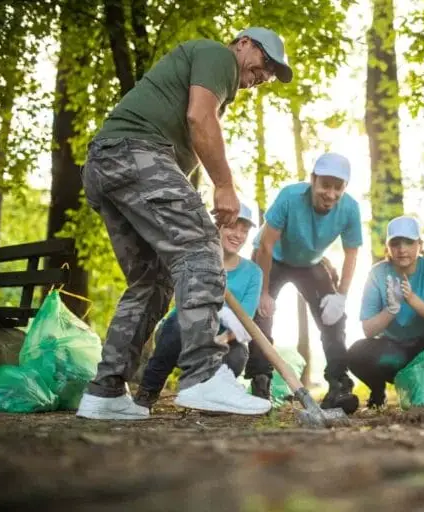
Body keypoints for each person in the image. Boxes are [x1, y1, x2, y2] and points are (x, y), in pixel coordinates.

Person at [77, 28, 293, 420]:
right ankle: (203, 375)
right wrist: (224, 185)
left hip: (108, 165)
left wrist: (185, 203)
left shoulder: (205, 79)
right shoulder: (218, 56)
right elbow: (199, 117)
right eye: (266, 63)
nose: (265, 76)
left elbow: (187, 142)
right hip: (135, 153)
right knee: (202, 250)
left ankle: (105, 391)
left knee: (152, 282)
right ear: (244, 43)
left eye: (271, 75)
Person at [249, 152, 363, 414]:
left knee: (333, 316)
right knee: (262, 313)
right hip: (272, 258)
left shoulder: (350, 209)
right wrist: (263, 293)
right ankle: (260, 382)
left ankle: (339, 384)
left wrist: (341, 296)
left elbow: (352, 254)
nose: (330, 194)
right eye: (325, 185)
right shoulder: (290, 197)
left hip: (310, 263)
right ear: (313, 180)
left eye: (338, 188)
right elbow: (266, 245)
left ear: (345, 188)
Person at [133, 203, 269, 413]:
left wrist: (218, 341)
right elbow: (187, 304)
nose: (238, 235)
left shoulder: (253, 273)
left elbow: (245, 322)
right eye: (232, 227)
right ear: (217, 228)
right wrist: (220, 314)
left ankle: (213, 399)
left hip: (223, 340)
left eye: (244, 230)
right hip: (182, 334)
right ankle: (146, 394)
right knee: (176, 325)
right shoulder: (197, 261)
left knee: (237, 355)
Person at [348, 216, 424, 408]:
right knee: (356, 352)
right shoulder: (377, 274)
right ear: (388, 247)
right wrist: (391, 309)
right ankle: (378, 392)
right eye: (395, 243)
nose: (402, 249)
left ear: (420, 245)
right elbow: (368, 330)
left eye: (409, 242)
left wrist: (412, 299)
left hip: (423, 350)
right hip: (392, 354)